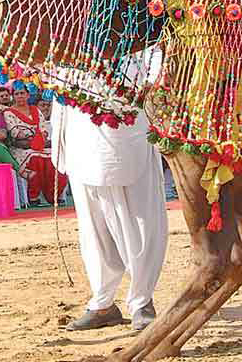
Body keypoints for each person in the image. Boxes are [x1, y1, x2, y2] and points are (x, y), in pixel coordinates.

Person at [52, 101, 167, 332]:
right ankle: (102, 304)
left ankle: (142, 302)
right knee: (93, 229)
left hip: (123, 133)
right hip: (79, 134)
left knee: (138, 224)